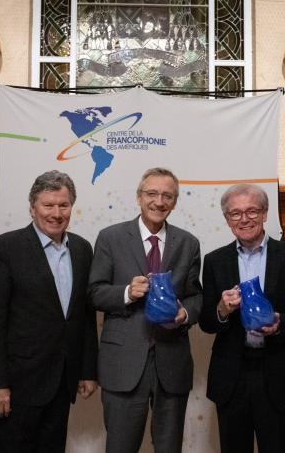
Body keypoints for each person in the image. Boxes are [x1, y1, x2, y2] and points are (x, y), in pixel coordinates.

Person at [0, 170, 98, 453]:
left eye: (63, 205)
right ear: (32, 208)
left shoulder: (82, 249)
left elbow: (85, 316)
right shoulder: (6, 248)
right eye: (48, 205)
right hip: (16, 386)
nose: (56, 213)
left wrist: (87, 370)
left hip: (61, 382)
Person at [89, 167, 202, 453]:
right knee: (120, 447)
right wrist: (127, 292)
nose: (159, 201)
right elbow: (94, 293)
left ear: (175, 202)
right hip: (123, 363)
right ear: (139, 197)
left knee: (169, 447)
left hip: (172, 364)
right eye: (152, 193)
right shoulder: (110, 238)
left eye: (167, 196)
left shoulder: (188, 243)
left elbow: (196, 297)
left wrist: (184, 314)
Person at [199, 184, 285, 453]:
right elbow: (207, 321)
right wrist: (221, 309)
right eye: (235, 213)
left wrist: (280, 324)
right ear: (227, 219)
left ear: (265, 214)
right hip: (232, 376)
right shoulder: (215, 261)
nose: (244, 219)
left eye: (252, 211)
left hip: (278, 374)